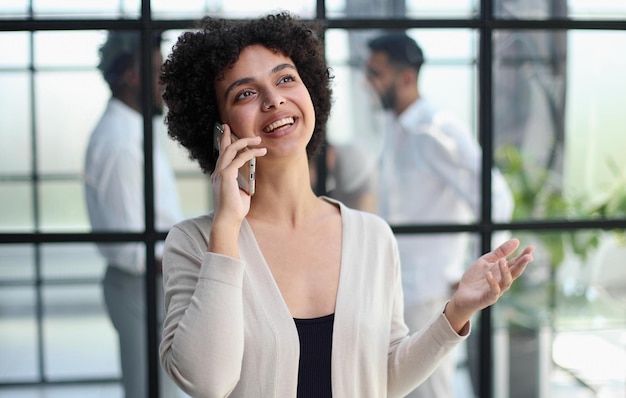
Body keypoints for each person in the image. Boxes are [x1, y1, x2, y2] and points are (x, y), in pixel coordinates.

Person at [157, 12, 534, 398]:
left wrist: (457, 311)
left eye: (286, 78)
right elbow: (206, 382)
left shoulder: (372, 236)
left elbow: (382, 378)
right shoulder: (195, 243)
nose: (274, 99)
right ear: (219, 129)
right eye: (245, 93)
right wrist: (226, 228)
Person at [365, 32, 515, 398]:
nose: (367, 82)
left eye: (375, 73)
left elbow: (495, 196)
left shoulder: (436, 129)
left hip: (430, 289)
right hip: (401, 287)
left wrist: (472, 269)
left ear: (406, 78)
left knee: (430, 390)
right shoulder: (395, 127)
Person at [84, 31, 186, 398]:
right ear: (131, 76)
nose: (164, 82)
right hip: (139, 286)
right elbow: (133, 247)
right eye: (157, 70)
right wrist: (196, 260)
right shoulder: (120, 144)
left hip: (150, 284)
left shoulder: (134, 130)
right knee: (150, 391)